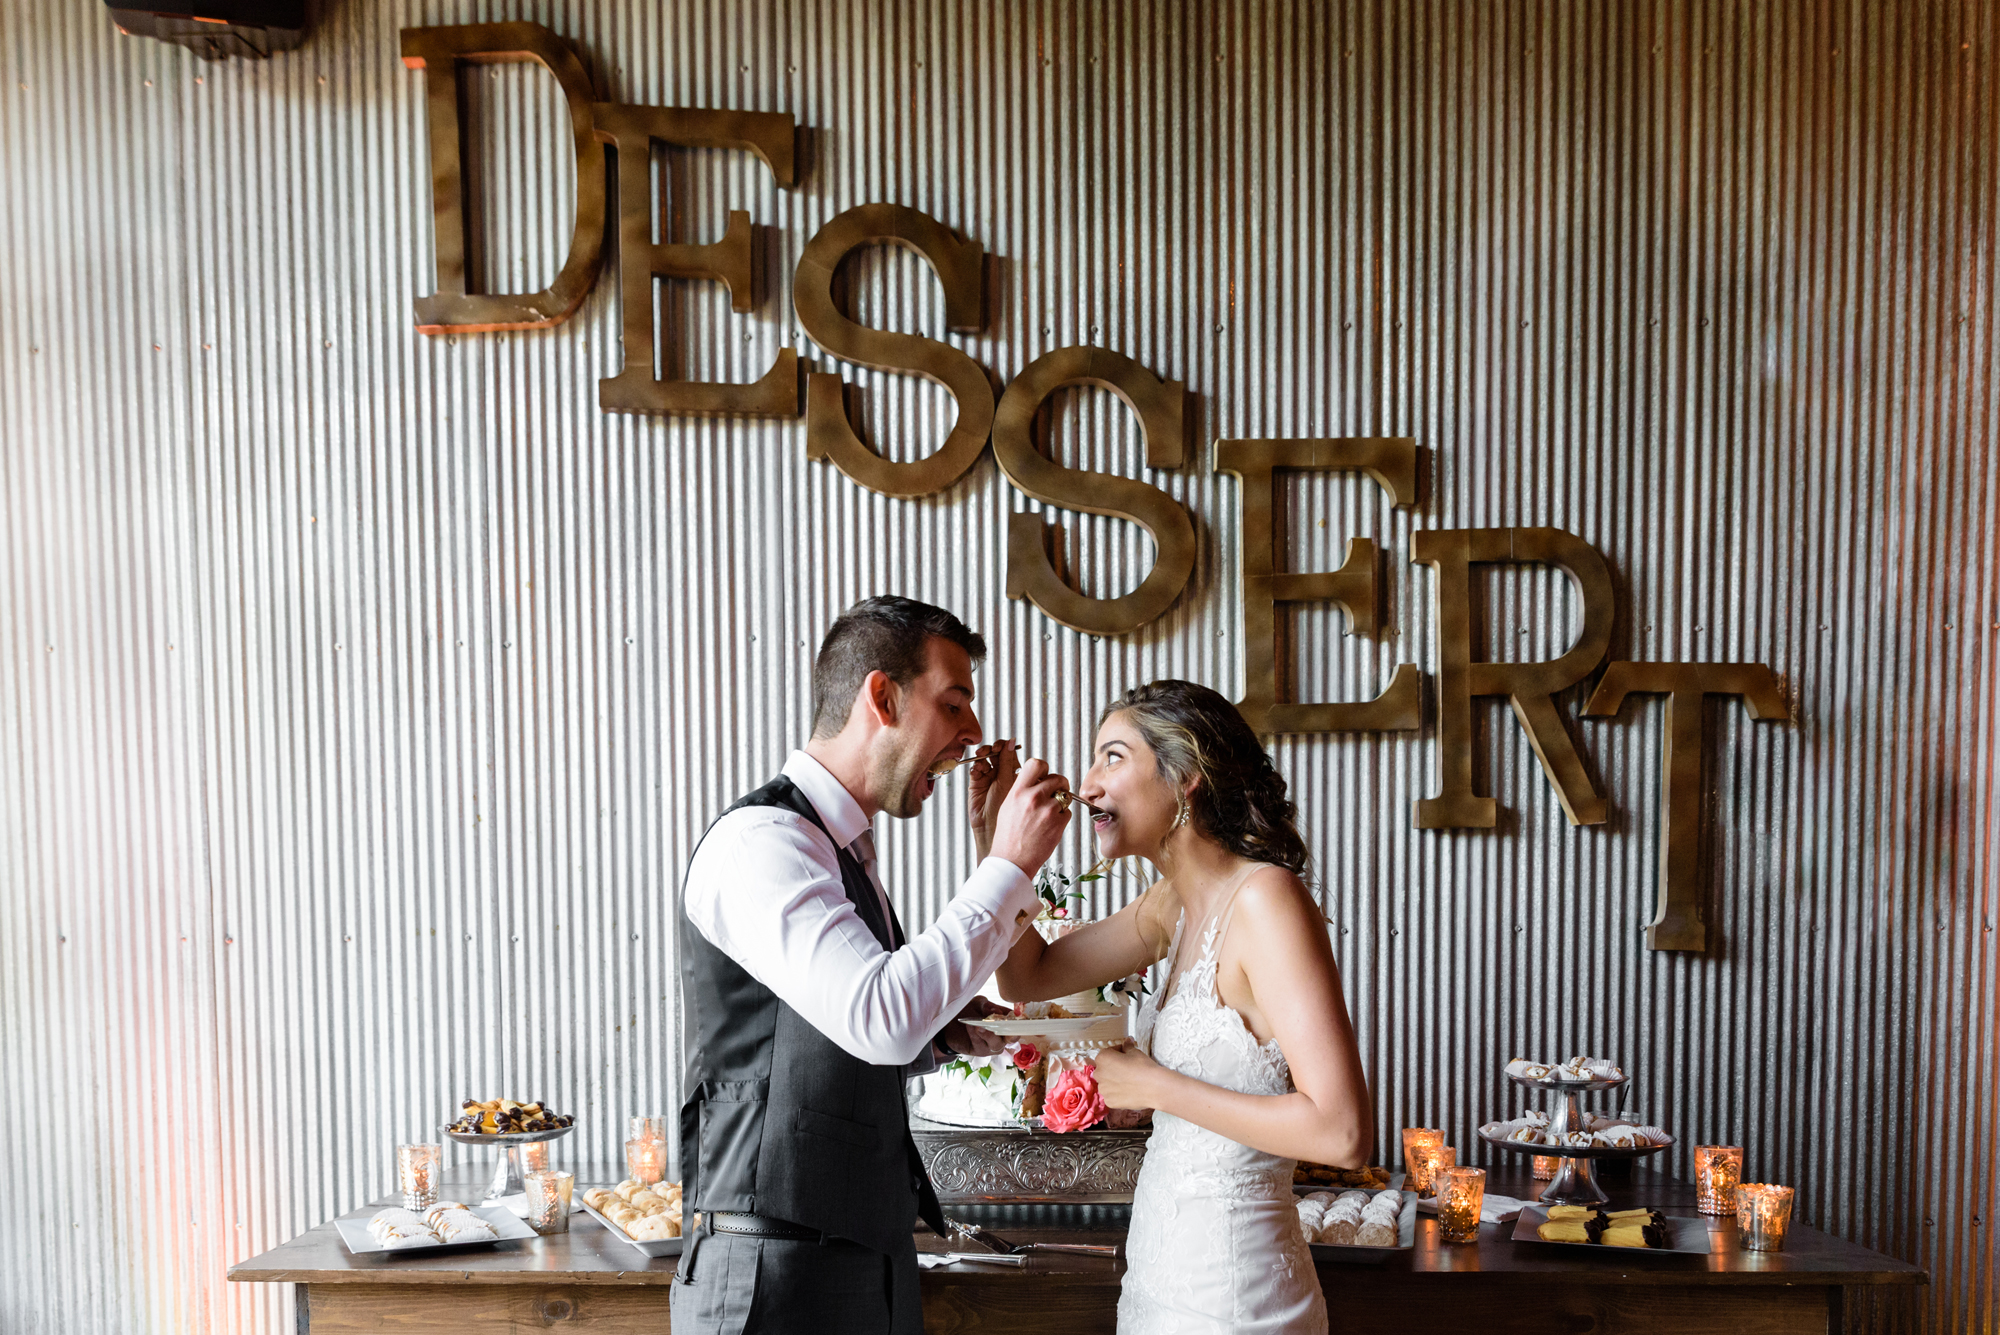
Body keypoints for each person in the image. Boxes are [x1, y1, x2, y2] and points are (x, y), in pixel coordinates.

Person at [672, 595, 1071, 1335]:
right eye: (954, 704)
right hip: (774, 1281)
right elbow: (879, 1017)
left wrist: (938, 1033)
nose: (973, 733)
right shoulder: (763, 843)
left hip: (858, 1267)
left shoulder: (842, 846)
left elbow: (842, 1030)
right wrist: (1009, 865)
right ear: (881, 697)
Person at [993, 680, 1372, 1334]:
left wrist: (1156, 1085)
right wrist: (997, 850)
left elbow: (1341, 1132)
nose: (1085, 786)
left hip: (1239, 1301)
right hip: (1161, 1283)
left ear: (1187, 774)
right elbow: (1027, 972)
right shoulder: (1172, 904)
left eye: (1112, 756)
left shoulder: (1265, 899)